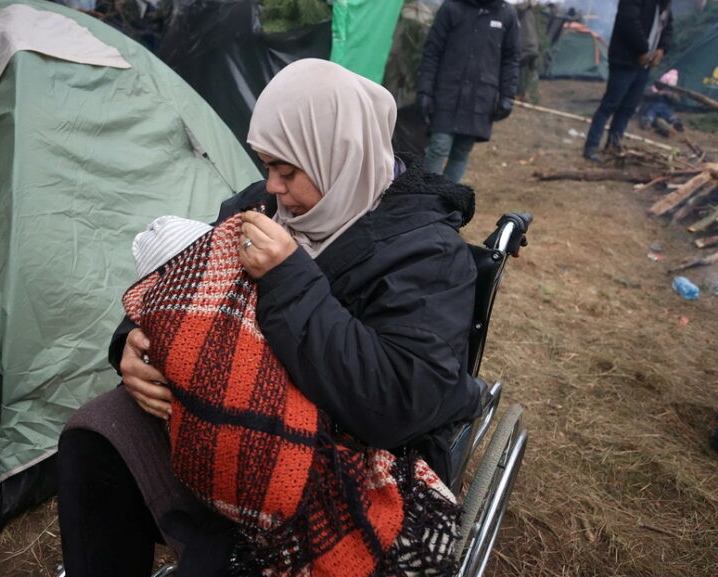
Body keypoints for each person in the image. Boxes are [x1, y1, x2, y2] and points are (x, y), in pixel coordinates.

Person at [56, 58, 483, 577]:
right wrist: (133, 342)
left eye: (287, 171)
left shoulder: (428, 255)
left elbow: (394, 406)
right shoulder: (264, 205)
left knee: (223, 558)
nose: (272, 187)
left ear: (340, 157)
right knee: (93, 436)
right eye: (266, 166)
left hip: (341, 452)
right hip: (224, 411)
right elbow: (184, 276)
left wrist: (288, 277)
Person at [416, 0, 520, 183]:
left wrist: (507, 96)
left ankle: (447, 198)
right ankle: (425, 194)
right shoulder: (452, 7)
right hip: (447, 92)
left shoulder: (507, 14)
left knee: (461, 152)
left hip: (481, 96)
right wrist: (425, 89)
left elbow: (510, 59)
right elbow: (432, 51)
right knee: (439, 146)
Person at [582, 0, 673, 162]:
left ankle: (613, 146)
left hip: (645, 65)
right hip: (625, 60)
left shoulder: (664, 4)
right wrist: (643, 49)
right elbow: (628, 21)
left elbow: (668, 28)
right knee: (610, 104)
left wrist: (661, 49)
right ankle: (592, 146)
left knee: (628, 108)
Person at [638, 68, 684, 137]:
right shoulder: (652, 89)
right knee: (651, 111)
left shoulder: (672, 92)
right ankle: (647, 121)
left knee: (667, 112)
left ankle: (675, 123)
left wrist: (671, 96)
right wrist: (657, 94)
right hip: (651, 108)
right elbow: (645, 95)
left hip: (664, 110)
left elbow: (677, 101)